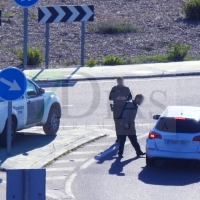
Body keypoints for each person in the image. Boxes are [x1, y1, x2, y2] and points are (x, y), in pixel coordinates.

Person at [109, 77, 132, 143]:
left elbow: (130, 97)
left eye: (121, 81)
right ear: (117, 82)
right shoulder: (114, 89)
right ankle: (118, 137)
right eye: (119, 81)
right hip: (116, 108)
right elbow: (110, 97)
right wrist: (117, 98)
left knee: (124, 122)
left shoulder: (126, 89)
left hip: (124, 108)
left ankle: (123, 137)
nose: (120, 82)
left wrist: (125, 98)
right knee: (117, 123)